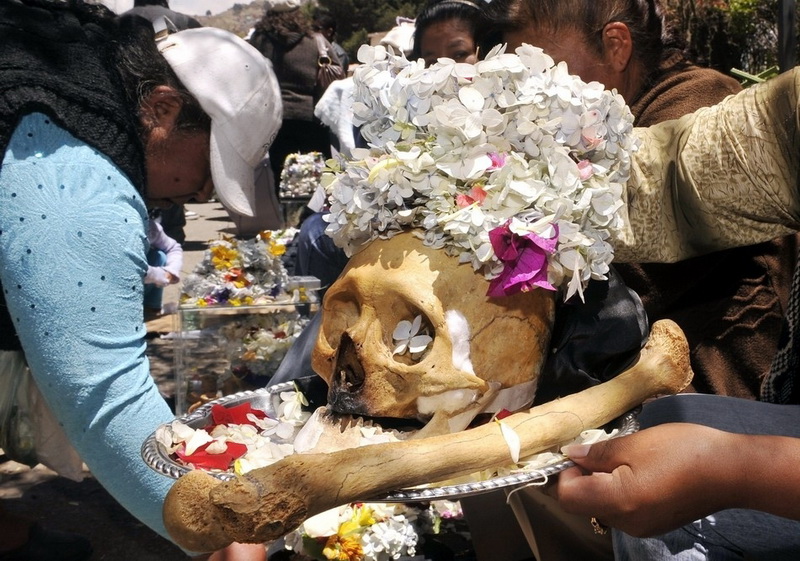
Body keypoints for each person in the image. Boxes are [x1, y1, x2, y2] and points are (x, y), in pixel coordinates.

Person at [0, 2, 281, 559]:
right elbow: (105, 394)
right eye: (208, 169)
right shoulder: (78, 182)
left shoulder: (77, 87)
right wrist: (221, 528)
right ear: (161, 108)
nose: (202, 195)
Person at [124, 0, 204, 245]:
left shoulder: (122, 22)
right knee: (174, 180)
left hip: (136, 112)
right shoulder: (184, 22)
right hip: (176, 112)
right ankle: (173, 235)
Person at [248, 0, 342, 196]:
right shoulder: (315, 40)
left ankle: (286, 219)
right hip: (312, 117)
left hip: (274, 120)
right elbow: (338, 71)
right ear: (298, 12)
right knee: (318, 173)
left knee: (280, 174)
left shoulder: (259, 41)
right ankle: (314, 219)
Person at [144, 212, 183, 318]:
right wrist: (158, 275)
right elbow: (127, 267)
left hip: (143, 277)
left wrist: (171, 270)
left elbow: (173, 247)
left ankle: (150, 308)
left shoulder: (149, 226)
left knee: (159, 256)